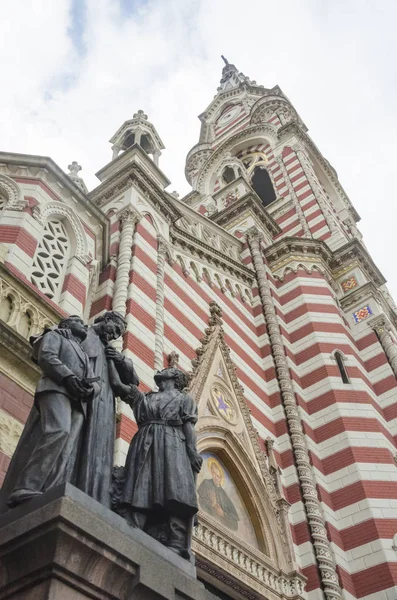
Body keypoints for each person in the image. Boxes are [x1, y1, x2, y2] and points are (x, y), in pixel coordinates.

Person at [1, 316, 99, 509]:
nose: (84, 325)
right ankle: (26, 487)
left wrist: (91, 389)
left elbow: (95, 382)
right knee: (58, 430)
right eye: (78, 321)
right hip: (56, 389)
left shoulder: (84, 354)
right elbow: (46, 356)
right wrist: (68, 376)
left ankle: (48, 491)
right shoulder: (56, 335)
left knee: (66, 449)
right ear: (66, 324)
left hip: (77, 401)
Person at [110, 365, 202, 558]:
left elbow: (189, 427)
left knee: (173, 489)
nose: (163, 369)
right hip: (145, 441)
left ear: (176, 377)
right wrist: (114, 360)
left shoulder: (184, 400)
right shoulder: (149, 397)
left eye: (168, 369)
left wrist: (192, 452)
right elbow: (121, 386)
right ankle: (134, 524)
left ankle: (176, 541)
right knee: (140, 484)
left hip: (172, 443)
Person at [77, 311, 139, 508]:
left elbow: (133, 381)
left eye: (119, 334)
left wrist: (121, 360)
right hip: (82, 396)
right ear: (106, 320)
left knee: (99, 451)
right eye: (115, 329)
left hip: (103, 405)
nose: (114, 335)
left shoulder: (110, 351)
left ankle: (94, 495)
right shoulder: (84, 334)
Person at [197, 458, 239, 531]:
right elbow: (199, 501)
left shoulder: (224, 496)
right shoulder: (206, 484)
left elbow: (235, 524)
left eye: (218, 476)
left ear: (221, 478)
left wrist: (223, 514)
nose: (216, 478)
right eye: (214, 474)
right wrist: (212, 505)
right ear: (212, 473)